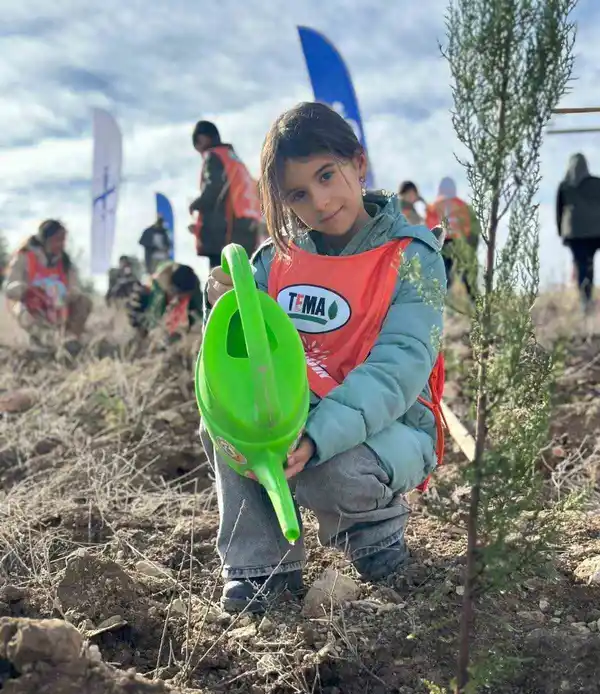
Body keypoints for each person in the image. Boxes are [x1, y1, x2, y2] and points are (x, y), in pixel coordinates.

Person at [203, 101, 447, 613]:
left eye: (327, 175)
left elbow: (398, 367)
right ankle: (262, 566)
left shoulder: (411, 257)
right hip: (300, 419)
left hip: (392, 427)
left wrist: (317, 437)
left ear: (358, 163)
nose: (319, 200)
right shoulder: (275, 263)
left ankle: (374, 534)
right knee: (226, 429)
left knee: (331, 469)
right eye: (298, 193)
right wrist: (226, 301)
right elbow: (238, 366)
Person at [189, 120, 262, 268]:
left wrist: (196, 204)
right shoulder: (234, 159)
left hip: (226, 230)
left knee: (221, 281)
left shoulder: (214, 155)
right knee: (245, 275)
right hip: (247, 225)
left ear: (202, 138)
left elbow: (213, 187)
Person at [4, 219, 92, 342]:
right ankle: (46, 340)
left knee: (83, 301)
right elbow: (9, 288)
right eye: (57, 239)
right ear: (45, 239)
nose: (61, 244)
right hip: (32, 306)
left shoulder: (66, 262)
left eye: (63, 240)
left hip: (59, 306)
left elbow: (75, 287)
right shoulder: (24, 256)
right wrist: (26, 289)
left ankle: (70, 339)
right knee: (27, 312)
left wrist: (70, 294)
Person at [556, 153, 600, 313]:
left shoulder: (565, 186)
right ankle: (587, 298)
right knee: (589, 264)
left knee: (581, 264)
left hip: (575, 234)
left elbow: (559, 211)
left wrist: (561, 233)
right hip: (596, 232)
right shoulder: (596, 182)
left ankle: (585, 300)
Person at [426, 177, 479, 301]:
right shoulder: (463, 205)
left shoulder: (433, 207)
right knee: (468, 278)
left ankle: (440, 307)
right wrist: (472, 247)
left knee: (443, 277)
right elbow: (473, 228)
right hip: (460, 242)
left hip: (442, 243)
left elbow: (428, 228)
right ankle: (475, 306)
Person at [127, 260, 203, 341]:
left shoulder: (192, 284)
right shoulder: (157, 287)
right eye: (175, 294)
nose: (177, 299)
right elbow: (154, 318)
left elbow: (198, 313)